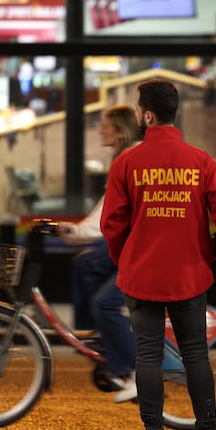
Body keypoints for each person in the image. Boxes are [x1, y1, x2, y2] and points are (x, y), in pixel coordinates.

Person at [100, 79, 216, 430]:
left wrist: (127, 259)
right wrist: (212, 249)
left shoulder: (126, 163)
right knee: (195, 354)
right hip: (189, 273)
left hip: (142, 275)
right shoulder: (200, 161)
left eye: (137, 109)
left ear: (148, 115)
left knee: (147, 354)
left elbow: (111, 224)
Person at [56, 105, 142, 403]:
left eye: (105, 126)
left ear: (119, 131)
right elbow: (108, 210)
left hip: (139, 249)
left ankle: (134, 370)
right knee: (85, 264)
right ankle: (95, 333)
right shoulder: (123, 157)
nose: (100, 131)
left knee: (104, 302)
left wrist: (77, 232)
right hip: (129, 244)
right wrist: (77, 231)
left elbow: (110, 215)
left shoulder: (130, 158)